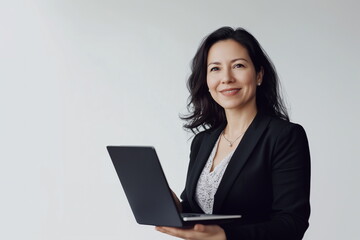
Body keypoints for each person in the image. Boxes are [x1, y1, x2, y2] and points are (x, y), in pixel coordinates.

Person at [156, 27, 311, 240]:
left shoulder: (284, 136)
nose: (226, 78)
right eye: (215, 68)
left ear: (259, 74)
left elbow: (292, 223)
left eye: (238, 65)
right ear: (207, 81)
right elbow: (196, 211)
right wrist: (169, 203)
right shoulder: (203, 141)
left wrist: (226, 236)